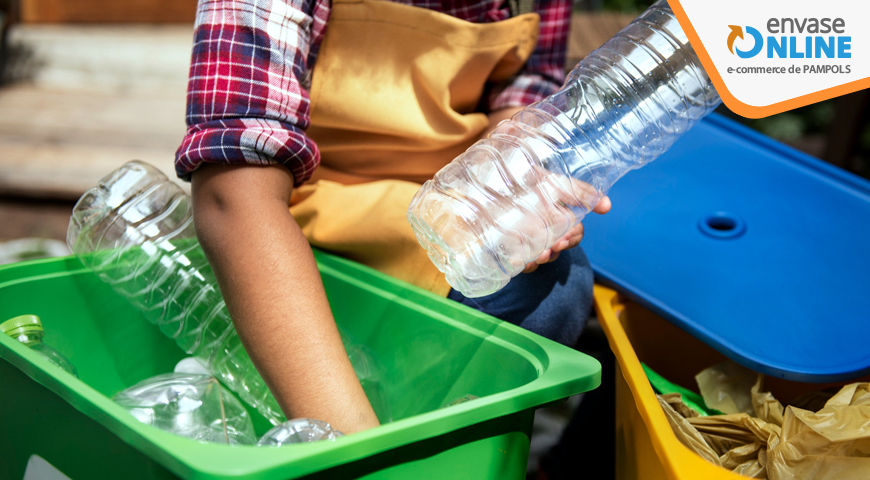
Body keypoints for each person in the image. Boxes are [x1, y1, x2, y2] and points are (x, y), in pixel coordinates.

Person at [175, 0, 609, 434]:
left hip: (440, 207)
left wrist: (511, 182)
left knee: (555, 286)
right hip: (298, 219)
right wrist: (353, 447)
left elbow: (526, 84)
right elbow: (231, 195)